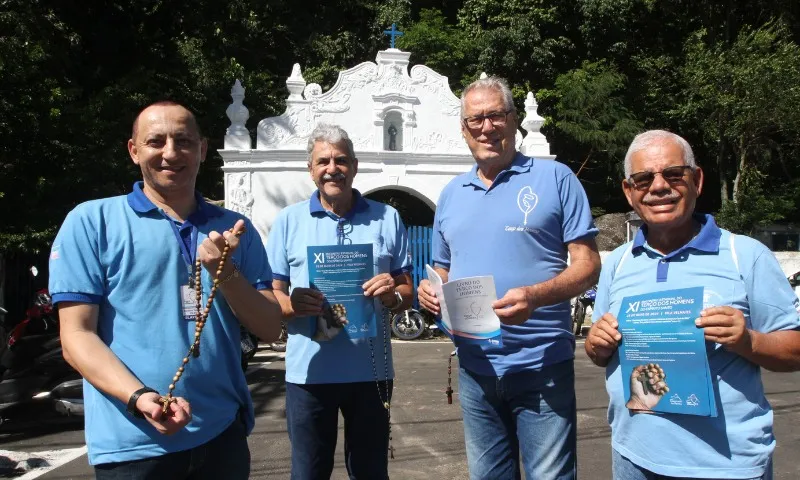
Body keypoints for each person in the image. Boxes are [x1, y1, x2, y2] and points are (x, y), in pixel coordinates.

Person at [49, 101, 283, 478]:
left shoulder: (235, 228)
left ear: (203, 150)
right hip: (134, 444)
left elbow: (271, 328)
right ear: (134, 150)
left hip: (222, 436)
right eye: (156, 141)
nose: (171, 153)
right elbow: (76, 335)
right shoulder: (92, 222)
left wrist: (226, 274)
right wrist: (139, 397)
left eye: (184, 141)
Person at [585, 130, 800, 479]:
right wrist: (596, 345)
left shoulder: (745, 256)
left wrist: (750, 341)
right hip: (633, 458)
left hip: (726, 466)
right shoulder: (619, 262)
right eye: (643, 179)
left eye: (673, 174)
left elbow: (795, 349)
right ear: (629, 191)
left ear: (696, 180)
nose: (658, 187)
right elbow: (600, 354)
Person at [417, 76, 601, 479]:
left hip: (541, 367)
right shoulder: (451, 194)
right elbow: (442, 267)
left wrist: (535, 296)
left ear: (514, 119)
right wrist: (430, 289)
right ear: (463, 130)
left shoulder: (556, 179)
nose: (486, 127)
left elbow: (588, 265)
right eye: (475, 120)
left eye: (496, 115)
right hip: (475, 368)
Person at [266, 123, 413, 479]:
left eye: (341, 160)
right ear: (311, 169)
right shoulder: (288, 221)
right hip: (309, 374)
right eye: (324, 161)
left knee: (371, 471)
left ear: (355, 166)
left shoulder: (387, 217)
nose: (333, 168)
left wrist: (392, 295)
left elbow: (407, 290)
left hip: (371, 372)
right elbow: (272, 295)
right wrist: (291, 305)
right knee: (309, 472)